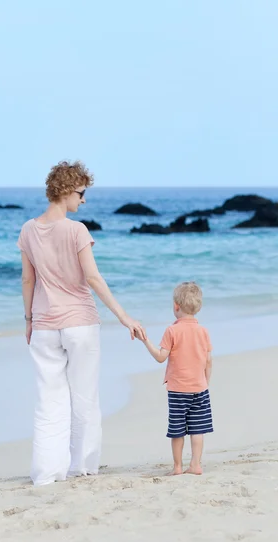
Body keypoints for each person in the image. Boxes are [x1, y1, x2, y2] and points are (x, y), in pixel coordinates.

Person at [17, 160, 145, 486]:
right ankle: (81, 467)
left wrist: (30, 319)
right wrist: (123, 316)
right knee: (84, 396)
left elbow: (27, 281)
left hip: (44, 326)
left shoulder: (28, 230)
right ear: (65, 191)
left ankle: (46, 474)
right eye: (81, 193)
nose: (83, 200)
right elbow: (92, 278)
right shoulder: (76, 230)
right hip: (80, 324)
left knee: (49, 401)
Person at [137, 282, 213, 476]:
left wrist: (145, 340)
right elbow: (208, 361)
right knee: (198, 429)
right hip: (200, 387)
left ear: (176, 306)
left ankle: (178, 467)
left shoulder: (172, 331)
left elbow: (161, 357)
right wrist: (205, 382)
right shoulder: (203, 331)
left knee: (177, 430)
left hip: (178, 390)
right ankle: (195, 464)